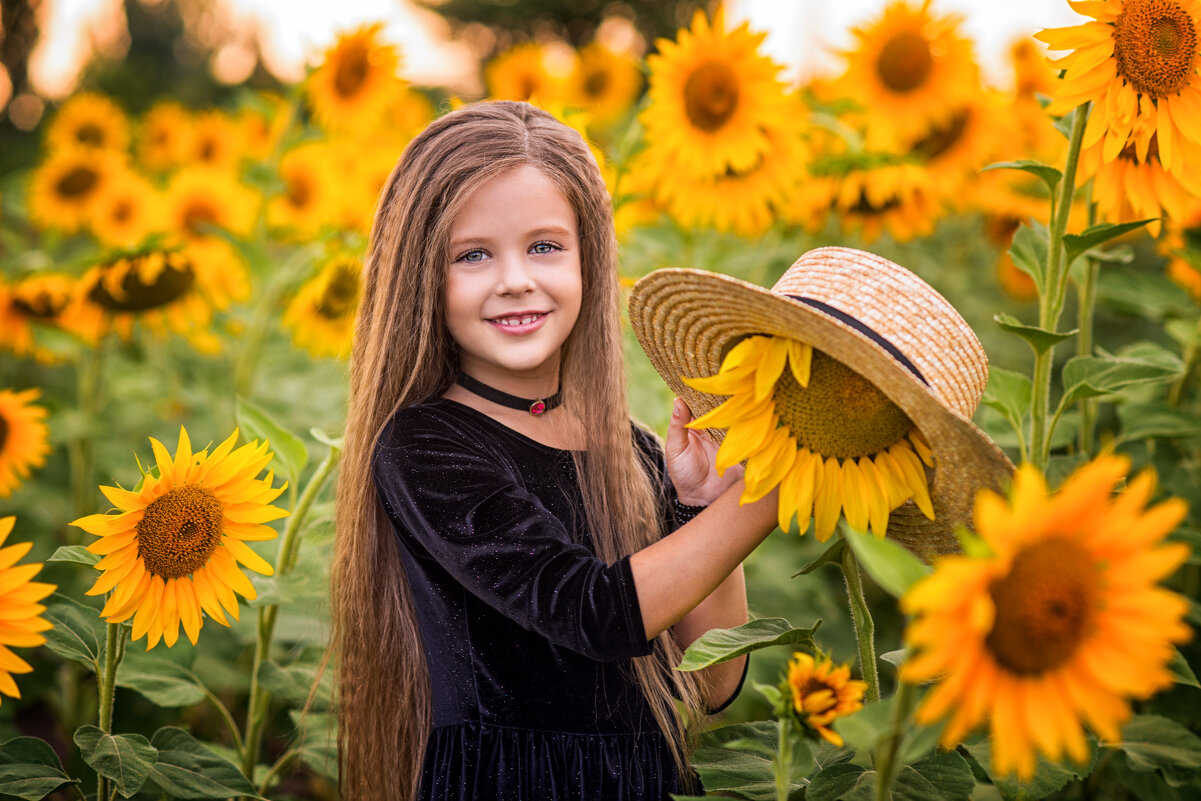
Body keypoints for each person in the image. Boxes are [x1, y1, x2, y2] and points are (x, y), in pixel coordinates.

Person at [331, 100, 780, 801]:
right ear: (423, 276)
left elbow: (713, 678)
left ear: (588, 262)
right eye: (473, 254)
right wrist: (777, 486)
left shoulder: (629, 449)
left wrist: (701, 505)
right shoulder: (425, 446)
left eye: (543, 246)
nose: (515, 278)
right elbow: (593, 613)